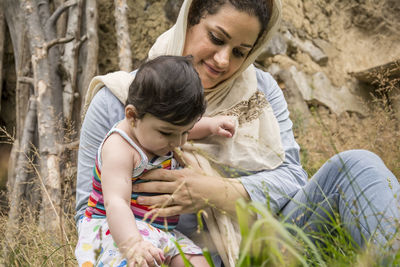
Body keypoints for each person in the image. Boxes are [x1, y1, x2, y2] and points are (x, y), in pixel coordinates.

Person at [76, 0, 400, 266]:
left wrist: (215, 191)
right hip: (166, 253)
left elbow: (293, 178)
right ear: (189, 20)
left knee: (357, 166)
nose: (222, 60)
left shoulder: (258, 92)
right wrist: (139, 248)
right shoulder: (118, 101)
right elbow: (89, 213)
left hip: (269, 246)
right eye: (217, 38)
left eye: (240, 52)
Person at [75, 55, 236, 267]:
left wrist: (211, 126)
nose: (178, 141)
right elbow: (116, 202)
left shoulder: (161, 131)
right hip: (117, 230)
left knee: (198, 263)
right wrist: (133, 245)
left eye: (185, 132)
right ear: (132, 116)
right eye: (167, 133)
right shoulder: (120, 148)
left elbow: (178, 127)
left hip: (161, 231)